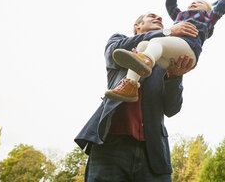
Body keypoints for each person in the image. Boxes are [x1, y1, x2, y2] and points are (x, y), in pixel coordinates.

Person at [75, 13, 199, 181]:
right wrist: (168, 32)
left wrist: (175, 76)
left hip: (153, 152)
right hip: (111, 147)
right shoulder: (119, 44)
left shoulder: (164, 60)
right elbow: (113, 50)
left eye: (161, 20)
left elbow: (172, 108)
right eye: (152, 17)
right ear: (137, 26)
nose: (159, 19)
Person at [105, 0, 225, 102]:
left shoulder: (206, 20)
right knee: (142, 46)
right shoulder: (180, 17)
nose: (194, 3)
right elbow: (171, 6)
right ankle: (130, 85)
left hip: (189, 47)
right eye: (152, 16)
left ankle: (146, 60)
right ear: (137, 25)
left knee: (155, 42)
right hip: (171, 50)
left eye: (199, 3)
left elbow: (218, 12)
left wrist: (223, 0)